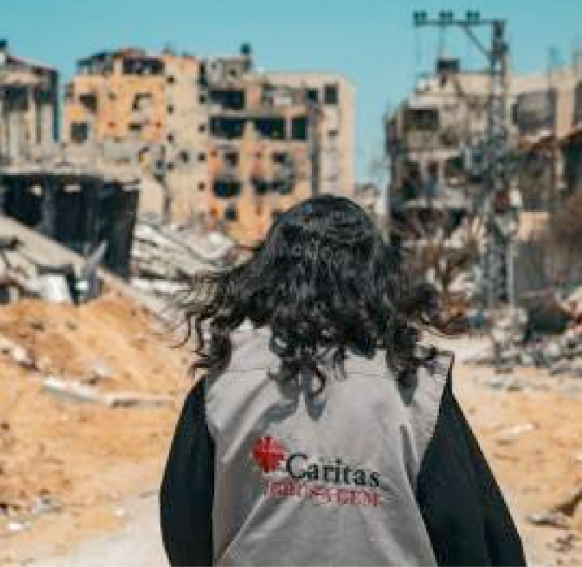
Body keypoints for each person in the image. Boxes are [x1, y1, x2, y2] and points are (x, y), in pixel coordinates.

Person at [160, 196, 526, 567]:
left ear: (267, 276)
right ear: (377, 281)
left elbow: (184, 527)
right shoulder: (416, 389)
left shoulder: (223, 386)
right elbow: (470, 533)